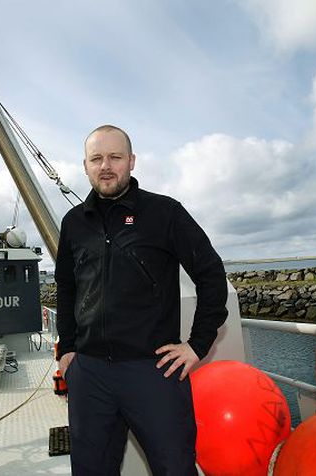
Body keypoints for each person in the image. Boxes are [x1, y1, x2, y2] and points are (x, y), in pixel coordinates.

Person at [55, 124, 228, 475]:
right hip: (89, 374)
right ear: (85, 165)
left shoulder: (165, 213)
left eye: (115, 157)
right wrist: (69, 352)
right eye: (97, 158)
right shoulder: (73, 223)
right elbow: (66, 288)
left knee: (175, 469)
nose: (106, 165)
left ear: (131, 161)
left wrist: (197, 345)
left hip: (153, 372)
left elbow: (211, 274)